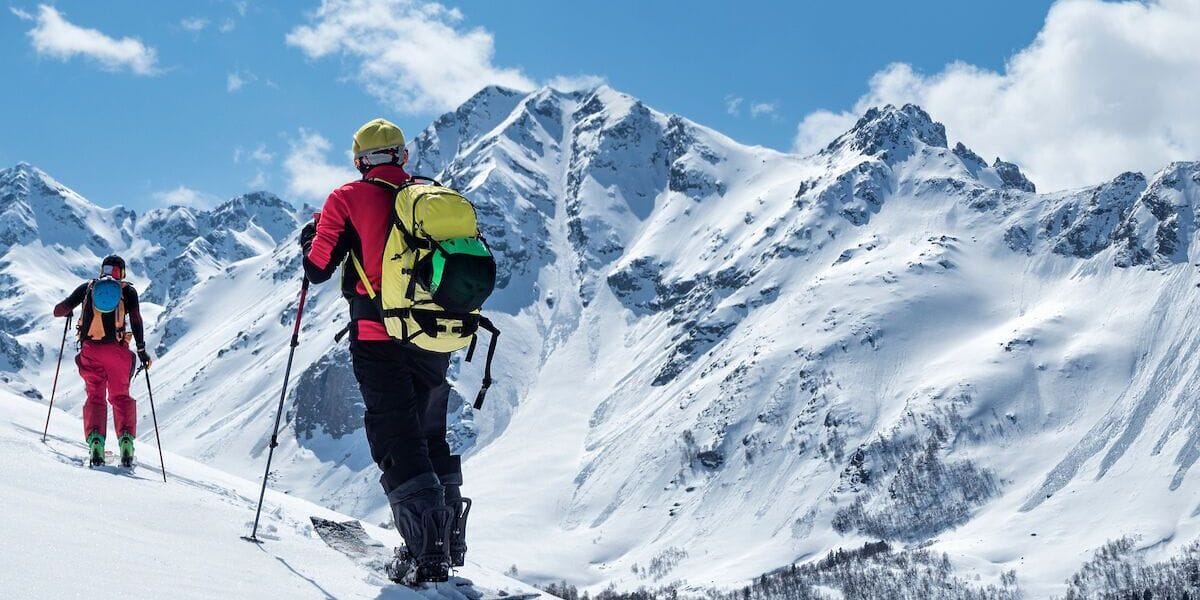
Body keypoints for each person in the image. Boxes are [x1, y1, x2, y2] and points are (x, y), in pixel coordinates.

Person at [300, 118, 464, 584]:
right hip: (432, 336)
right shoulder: (430, 197)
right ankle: (449, 544)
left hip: (378, 336)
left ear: (359, 161)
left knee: (396, 437)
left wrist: (311, 239)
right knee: (431, 434)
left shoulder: (347, 198)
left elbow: (317, 268)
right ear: (402, 156)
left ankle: (424, 558)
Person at [53, 255, 153, 467]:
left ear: (103, 270)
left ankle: (96, 443)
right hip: (117, 352)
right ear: (121, 272)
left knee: (95, 397)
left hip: (90, 351)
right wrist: (142, 350)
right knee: (120, 397)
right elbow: (136, 320)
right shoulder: (127, 291)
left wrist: (70, 310)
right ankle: (126, 442)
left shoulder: (88, 287)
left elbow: (58, 311)